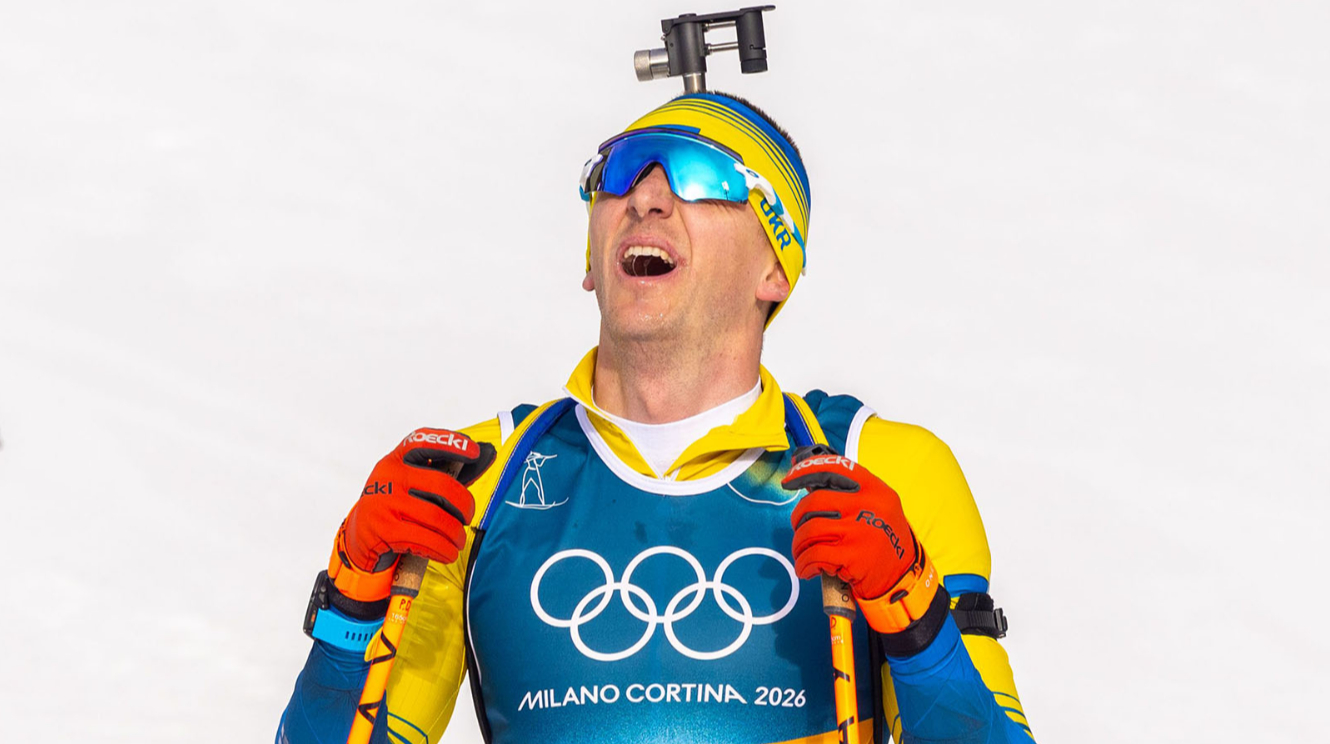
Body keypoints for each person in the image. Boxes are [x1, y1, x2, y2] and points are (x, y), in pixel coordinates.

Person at [278, 92, 1036, 744]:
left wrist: (917, 619)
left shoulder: (879, 466)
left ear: (777, 267)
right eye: (617, 173)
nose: (645, 198)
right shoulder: (472, 478)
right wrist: (349, 613)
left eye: (701, 176)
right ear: (589, 255)